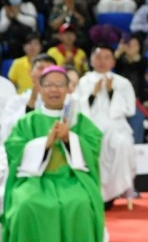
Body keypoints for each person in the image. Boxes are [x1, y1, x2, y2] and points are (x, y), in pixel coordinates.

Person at [2, 65, 105, 242]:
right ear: (39, 88)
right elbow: (14, 149)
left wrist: (69, 138)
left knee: (80, 204)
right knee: (26, 205)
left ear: (68, 89)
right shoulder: (27, 122)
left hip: (71, 179)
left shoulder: (78, 121)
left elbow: (93, 146)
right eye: (48, 85)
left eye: (59, 85)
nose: (54, 90)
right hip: (35, 181)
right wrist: (45, 143)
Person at [76, 44, 137, 209]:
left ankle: (116, 190)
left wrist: (111, 92)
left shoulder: (122, 82)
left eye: (106, 57)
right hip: (91, 126)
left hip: (116, 126)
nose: (102, 61)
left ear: (113, 61)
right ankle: (96, 192)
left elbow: (130, 108)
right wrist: (92, 95)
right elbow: (79, 108)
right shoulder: (84, 81)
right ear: (91, 60)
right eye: (98, 57)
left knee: (123, 144)